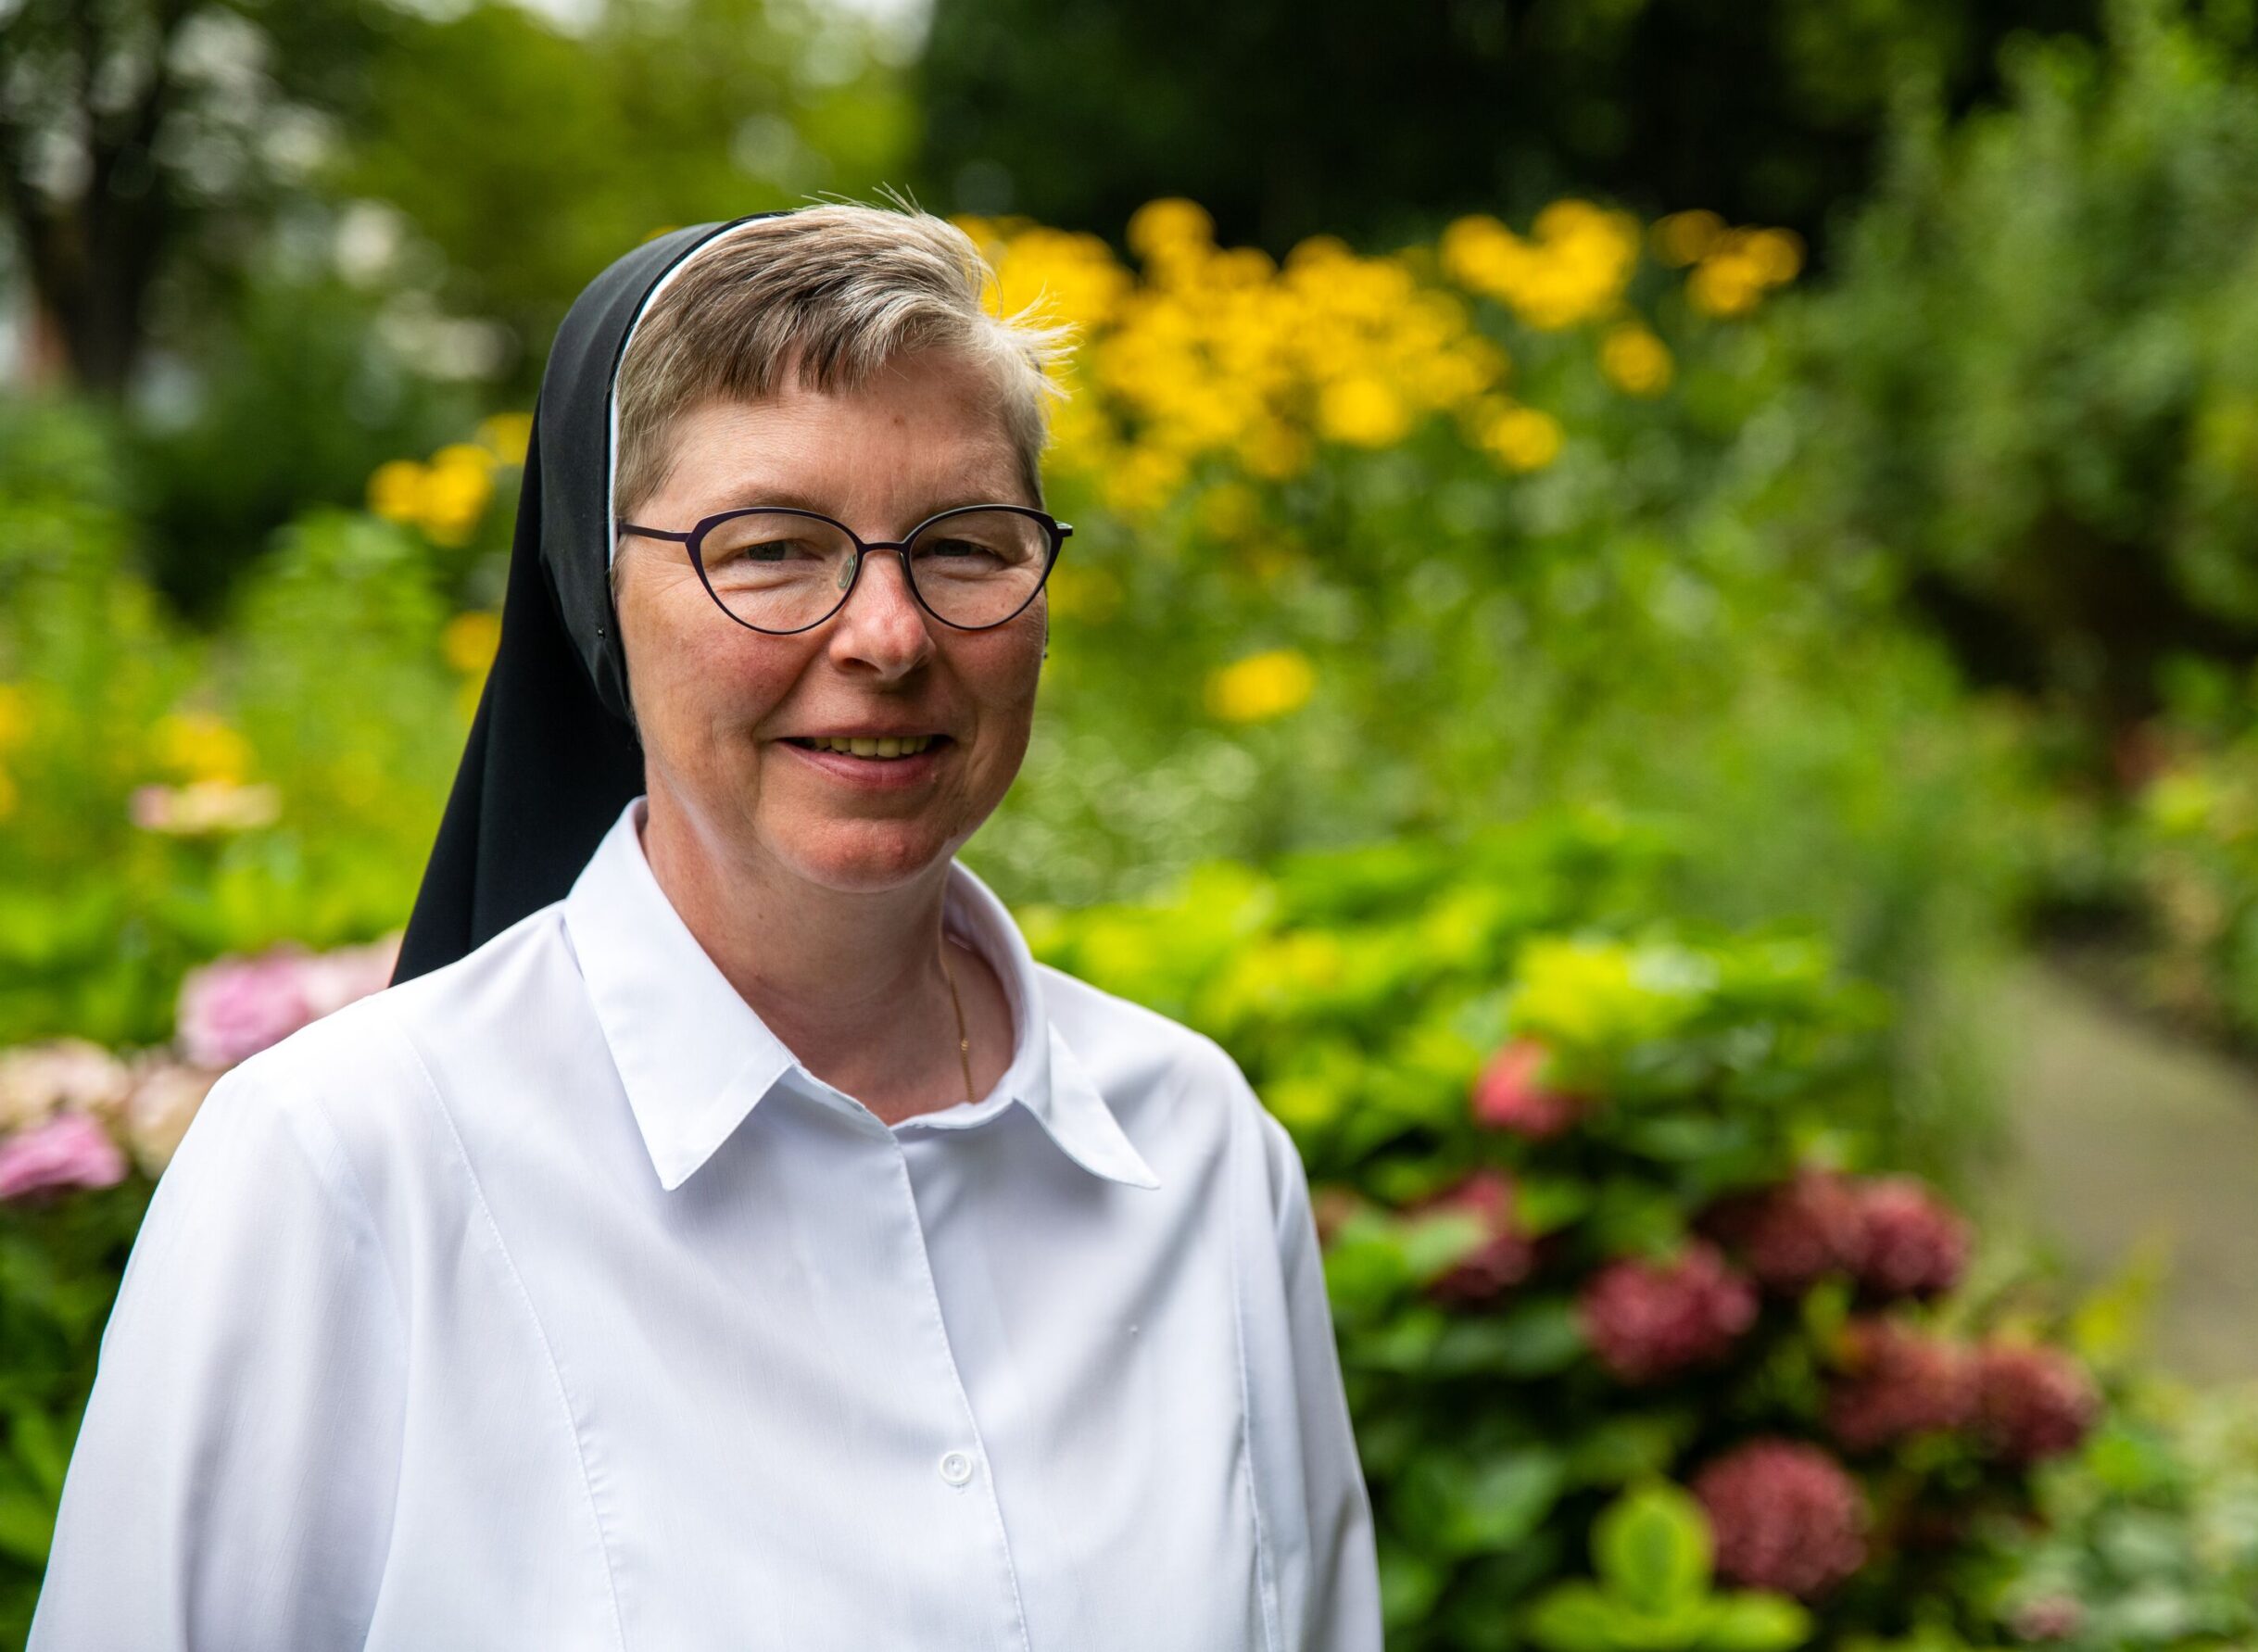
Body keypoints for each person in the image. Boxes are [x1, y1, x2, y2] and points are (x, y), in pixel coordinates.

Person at [29, 200, 1381, 1649]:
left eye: (968, 545)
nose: (889, 636)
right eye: (775, 546)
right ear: (601, 597)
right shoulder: (347, 1165)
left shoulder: (1198, 1154)